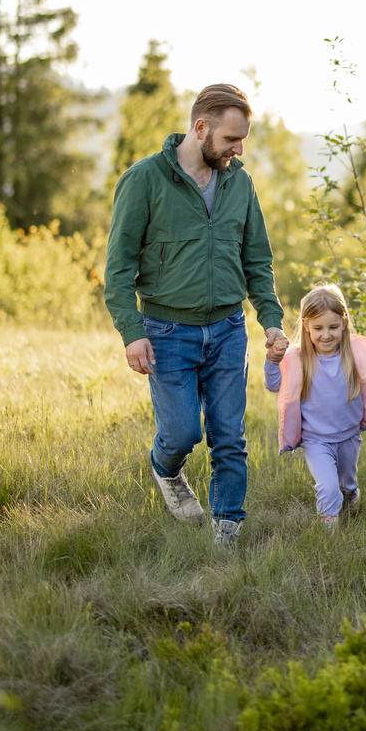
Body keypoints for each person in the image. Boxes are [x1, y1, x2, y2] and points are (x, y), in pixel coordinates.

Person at [104, 83, 288, 548]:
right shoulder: (144, 180)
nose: (238, 149)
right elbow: (119, 268)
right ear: (200, 127)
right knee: (182, 432)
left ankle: (227, 528)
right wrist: (132, 331)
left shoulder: (239, 183)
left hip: (227, 329)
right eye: (230, 139)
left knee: (229, 436)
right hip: (167, 331)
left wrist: (271, 320)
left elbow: (257, 261)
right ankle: (166, 470)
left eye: (242, 139)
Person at [263, 284, 366, 526]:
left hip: (349, 436)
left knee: (346, 483)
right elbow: (273, 384)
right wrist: (272, 360)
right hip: (316, 439)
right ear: (307, 325)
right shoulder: (298, 358)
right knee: (328, 489)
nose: (326, 335)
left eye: (333, 327)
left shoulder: (352, 353)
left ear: (344, 324)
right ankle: (328, 533)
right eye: (318, 328)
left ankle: (351, 495)